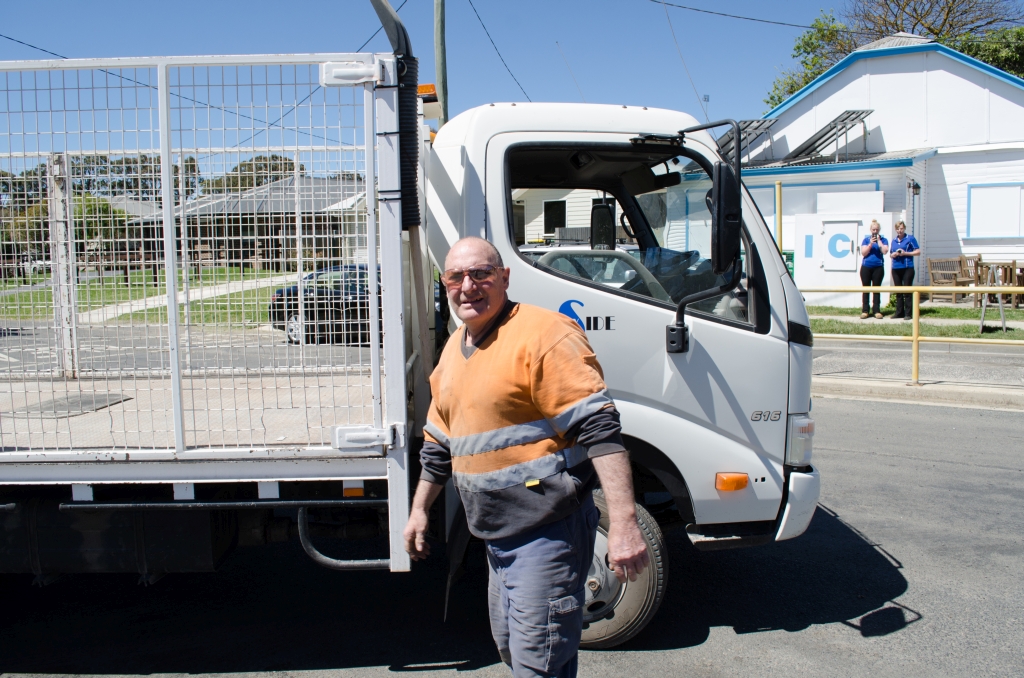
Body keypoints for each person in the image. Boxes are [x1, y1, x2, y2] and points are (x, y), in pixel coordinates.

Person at [403, 236, 649, 678]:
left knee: (540, 662)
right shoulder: (455, 348)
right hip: (497, 539)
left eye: (481, 274)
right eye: (456, 277)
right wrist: (420, 510)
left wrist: (625, 525)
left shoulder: (544, 334)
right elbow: (439, 443)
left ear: (505, 277)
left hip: (546, 533)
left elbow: (600, 431)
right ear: (445, 284)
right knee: (515, 651)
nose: (468, 286)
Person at [889, 220, 920, 319]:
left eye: (901, 228)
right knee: (898, 291)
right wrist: (893, 255)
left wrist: (906, 253)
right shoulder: (893, 241)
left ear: (904, 228)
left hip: (907, 268)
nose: (899, 231)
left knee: (907, 291)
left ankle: (908, 313)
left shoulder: (910, 238)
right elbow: (890, 253)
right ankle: (899, 312)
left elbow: (918, 251)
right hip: (896, 268)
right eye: (898, 229)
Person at [860, 219, 889, 319]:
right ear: (870, 230)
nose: (875, 231)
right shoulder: (866, 240)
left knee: (876, 289)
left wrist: (879, 241)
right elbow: (863, 253)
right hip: (866, 267)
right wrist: (870, 244)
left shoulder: (884, 240)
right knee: (866, 289)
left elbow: (885, 251)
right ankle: (865, 311)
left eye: (877, 229)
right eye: (873, 229)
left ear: (879, 230)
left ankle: (876, 310)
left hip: (878, 267)